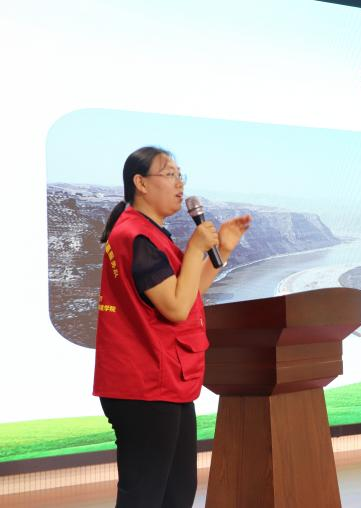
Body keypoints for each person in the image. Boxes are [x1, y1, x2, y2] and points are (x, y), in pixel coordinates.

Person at [93, 146, 251, 507]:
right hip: (143, 385)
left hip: (163, 383)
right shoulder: (135, 236)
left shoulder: (151, 233)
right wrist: (195, 249)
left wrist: (223, 252)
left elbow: (188, 294)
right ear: (140, 183)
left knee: (176, 494)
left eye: (181, 176)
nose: (180, 184)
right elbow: (177, 309)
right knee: (145, 496)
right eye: (169, 174)